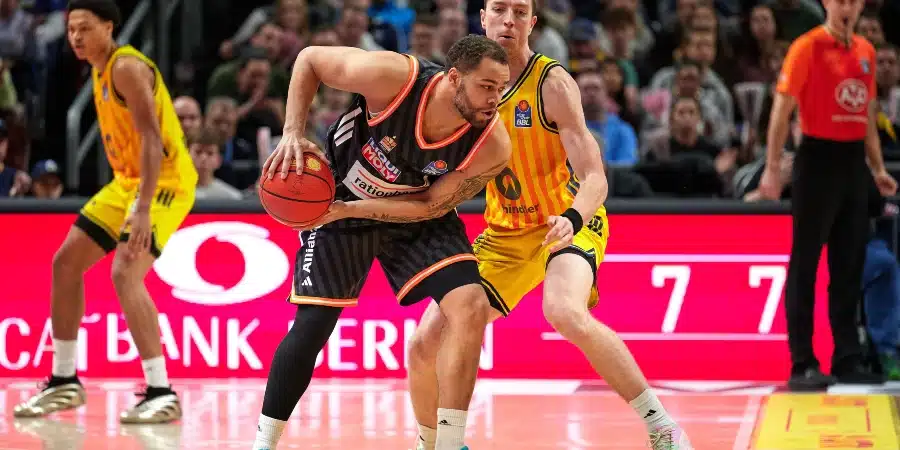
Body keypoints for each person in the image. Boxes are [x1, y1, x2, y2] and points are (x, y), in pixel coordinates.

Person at [404, 1, 693, 449]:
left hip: (569, 218)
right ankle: (437, 444)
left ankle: (662, 427)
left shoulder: (551, 83)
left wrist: (574, 217)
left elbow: (596, 176)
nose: (508, 20)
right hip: (504, 234)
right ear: (481, 19)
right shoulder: (461, 87)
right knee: (424, 343)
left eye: (520, 12)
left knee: (563, 310)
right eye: (499, 10)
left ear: (532, 23)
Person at [251, 35, 512, 450]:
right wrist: (292, 133)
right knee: (313, 324)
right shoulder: (395, 78)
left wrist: (357, 211)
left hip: (414, 211)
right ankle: (263, 443)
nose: (494, 98)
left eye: (501, 88)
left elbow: (429, 204)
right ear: (454, 78)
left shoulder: (492, 144)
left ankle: (447, 443)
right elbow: (310, 59)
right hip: (337, 193)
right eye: (486, 86)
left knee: (471, 304)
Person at [13, 0, 197, 423]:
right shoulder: (98, 69)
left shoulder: (126, 67)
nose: (76, 37)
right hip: (127, 183)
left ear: (109, 27)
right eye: (71, 29)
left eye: (86, 28)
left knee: (124, 271)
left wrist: (145, 207)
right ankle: (64, 381)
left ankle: (161, 390)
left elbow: (152, 139)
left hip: (163, 181)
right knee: (65, 264)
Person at [760, 0, 898, 391]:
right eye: (841, 1)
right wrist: (772, 167)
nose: (848, 8)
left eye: (854, 1)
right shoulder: (806, 46)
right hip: (817, 160)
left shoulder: (867, 52)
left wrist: (878, 168)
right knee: (805, 264)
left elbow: (867, 114)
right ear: (826, 3)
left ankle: (847, 357)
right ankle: (802, 361)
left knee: (849, 263)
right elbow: (781, 110)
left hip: (853, 163)